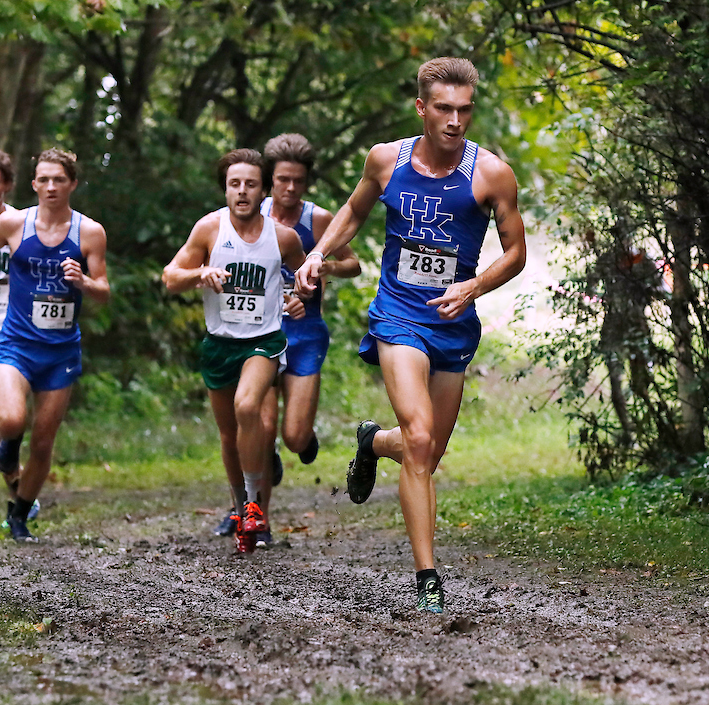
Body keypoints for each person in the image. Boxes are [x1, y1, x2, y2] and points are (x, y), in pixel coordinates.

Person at [295, 57, 527, 613]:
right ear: (422, 107)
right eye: (443, 108)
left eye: (464, 109)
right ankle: (428, 579)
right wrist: (317, 254)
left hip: (452, 320)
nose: (455, 120)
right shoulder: (386, 159)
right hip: (398, 313)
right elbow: (352, 213)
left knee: (427, 451)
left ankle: (373, 442)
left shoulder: (491, 174)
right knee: (420, 436)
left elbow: (517, 253)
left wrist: (472, 286)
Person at [163, 149, 306, 553]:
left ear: (263, 190)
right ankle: (242, 509)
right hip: (219, 343)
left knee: (248, 407)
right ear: (226, 188)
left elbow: (305, 276)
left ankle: (255, 507)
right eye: (234, 184)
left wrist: (299, 298)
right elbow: (171, 277)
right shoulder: (209, 229)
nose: (242, 192)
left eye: (250, 184)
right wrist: (199, 272)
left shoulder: (282, 236)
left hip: (263, 341)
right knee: (229, 435)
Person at [0, 148, 109, 542]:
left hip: (60, 350)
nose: (50, 186)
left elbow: (104, 291)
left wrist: (83, 281)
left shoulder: (90, 232)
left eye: (59, 180)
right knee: (11, 419)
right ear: (33, 184)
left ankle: (20, 513)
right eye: (43, 179)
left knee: (44, 438)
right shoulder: (14, 223)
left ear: (72, 184)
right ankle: (8, 447)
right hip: (16, 341)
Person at [237, 134, 360, 543]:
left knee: (292, 436)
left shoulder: (318, 219)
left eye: (299, 181)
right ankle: (259, 520)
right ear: (270, 179)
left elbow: (353, 264)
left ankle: (303, 439)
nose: (291, 189)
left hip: (306, 333)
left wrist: (326, 268)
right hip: (263, 330)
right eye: (283, 180)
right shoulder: (252, 216)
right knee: (261, 423)